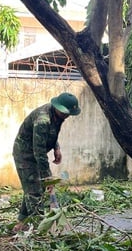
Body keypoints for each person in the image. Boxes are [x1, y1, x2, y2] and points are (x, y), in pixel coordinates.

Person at [13, 92, 81, 226]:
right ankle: (38, 228)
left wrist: (56, 147)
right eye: (65, 113)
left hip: (36, 153)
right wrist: (48, 178)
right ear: (58, 107)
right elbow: (39, 152)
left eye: (68, 114)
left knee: (33, 188)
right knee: (35, 192)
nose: (66, 117)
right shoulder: (42, 120)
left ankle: (21, 223)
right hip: (25, 155)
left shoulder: (57, 115)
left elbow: (51, 134)